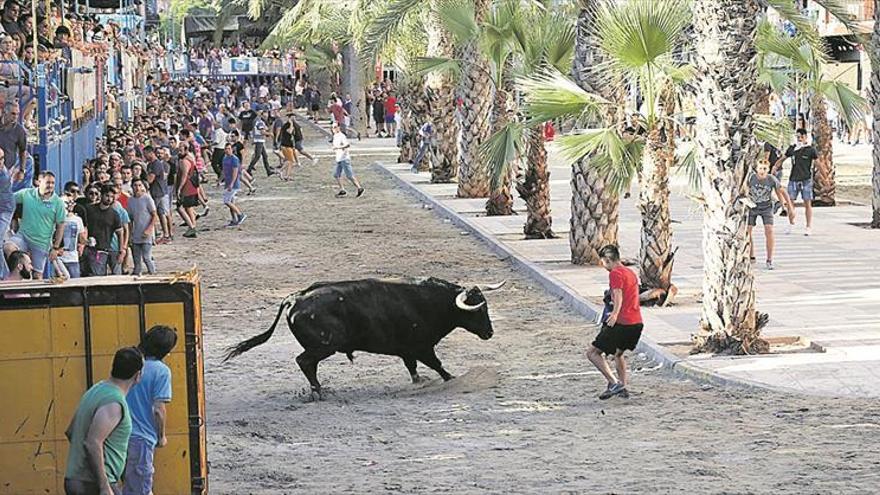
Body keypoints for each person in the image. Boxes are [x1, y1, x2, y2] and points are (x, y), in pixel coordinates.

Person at [64, 347, 144, 495]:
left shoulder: (95, 391)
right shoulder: (114, 402)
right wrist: (103, 485)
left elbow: (71, 431)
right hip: (93, 484)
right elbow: (92, 442)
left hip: (75, 480)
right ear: (138, 375)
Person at [122, 326, 177, 495]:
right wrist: (161, 436)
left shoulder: (131, 363)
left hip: (119, 435)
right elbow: (158, 410)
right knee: (141, 489)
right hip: (142, 438)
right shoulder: (161, 371)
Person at [586, 245, 643, 400]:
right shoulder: (630, 273)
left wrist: (615, 314)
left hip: (621, 323)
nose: (604, 266)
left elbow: (618, 295)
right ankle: (623, 387)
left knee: (592, 352)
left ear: (608, 260)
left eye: (604, 262)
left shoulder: (615, 273)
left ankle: (613, 383)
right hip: (636, 322)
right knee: (618, 354)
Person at [4, 171, 65, 279]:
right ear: (38, 182)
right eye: (48, 182)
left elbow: (61, 225)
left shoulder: (58, 202)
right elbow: (9, 199)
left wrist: (55, 248)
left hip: (41, 242)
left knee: (38, 276)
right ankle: (17, 277)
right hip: (23, 236)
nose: (50, 186)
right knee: (8, 248)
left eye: (53, 183)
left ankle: (35, 295)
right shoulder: (26, 194)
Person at [749, 158, 795, 270]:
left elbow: (783, 192)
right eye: (760, 168)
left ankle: (769, 259)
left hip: (766, 207)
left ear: (768, 169)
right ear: (756, 169)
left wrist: (790, 208)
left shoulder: (771, 179)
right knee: (748, 230)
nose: (762, 171)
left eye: (764, 169)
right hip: (752, 207)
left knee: (769, 230)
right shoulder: (751, 178)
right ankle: (751, 255)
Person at [775, 128, 817, 235]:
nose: (799, 139)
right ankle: (791, 224)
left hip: (806, 179)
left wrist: (822, 173)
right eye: (798, 137)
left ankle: (808, 226)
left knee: (807, 203)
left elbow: (818, 162)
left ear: (805, 137)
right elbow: (783, 158)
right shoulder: (792, 149)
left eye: (801, 137)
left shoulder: (810, 150)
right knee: (790, 202)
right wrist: (775, 167)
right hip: (793, 179)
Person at [84, 185, 123, 276]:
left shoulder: (114, 214)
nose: (109, 199)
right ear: (101, 195)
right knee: (96, 275)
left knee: (114, 276)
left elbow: (120, 233)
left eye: (112, 197)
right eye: (107, 196)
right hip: (92, 249)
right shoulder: (90, 210)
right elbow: (83, 228)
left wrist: (121, 250)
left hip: (107, 248)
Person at [126, 179, 158, 276]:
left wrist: (149, 229)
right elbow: (130, 219)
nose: (137, 188)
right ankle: (137, 274)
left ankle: (152, 273)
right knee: (136, 258)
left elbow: (154, 215)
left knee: (146, 257)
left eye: (139, 185)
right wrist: (130, 234)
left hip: (146, 233)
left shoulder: (147, 199)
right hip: (136, 233)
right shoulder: (130, 200)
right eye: (135, 185)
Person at [145, 146, 172, 243]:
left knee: (154, 213)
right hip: (159, 191)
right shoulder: (151, 164)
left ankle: (158, 234)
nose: (144, 156)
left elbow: (150, 179)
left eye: (145, 154)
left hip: (157, 192)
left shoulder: (156, 164)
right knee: (161, 214)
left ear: (150, 153)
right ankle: (166, 235)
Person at [331, 123, 364, 198]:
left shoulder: (341, 136)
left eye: (335, 127)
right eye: (333, 128)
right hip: (339, 158)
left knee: (349, 175)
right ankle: (342, 189)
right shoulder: (335, 136)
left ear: (339, 127)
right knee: (336, 174)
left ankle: (359, 188)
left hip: (344, 158)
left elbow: (347, 145)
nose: (334, 129)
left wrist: (338, 148)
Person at [60, 194, 87, 278]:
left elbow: (81, 239)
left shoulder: (78, 220)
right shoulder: (55, 218)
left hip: (73, 258)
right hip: (58, 259)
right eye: (66, 203)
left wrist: (88, 242)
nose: (69, 205)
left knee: (75, 286)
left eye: (71, 202)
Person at [221, 142, 247, 226]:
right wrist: (219, 180)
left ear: (232, 149)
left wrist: (232, 183)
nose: (227, 150)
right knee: (231, 202)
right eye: (226, 149)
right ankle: (234, 219)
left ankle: (240, 215)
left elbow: (235, 172)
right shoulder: (225, 158)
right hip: (227, 183)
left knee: (226, 201)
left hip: (233, 184)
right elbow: (223, 171)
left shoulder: (234, 159)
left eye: (229, 149)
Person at [0, 146, 13, 278]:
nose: (0, 162)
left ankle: (3, 277)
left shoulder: (3, 175)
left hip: (5, 210)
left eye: (2, 158)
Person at [277, 112, 299, 181]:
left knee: (290, 161)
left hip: (289, 145)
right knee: (290, 160)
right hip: (286, 145)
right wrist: (291, 124)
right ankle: (280, 170)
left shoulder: (291, 125)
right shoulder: (287, 125)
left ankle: (287, 176)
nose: (294, 118)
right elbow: (290, 131)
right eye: (293, 117)